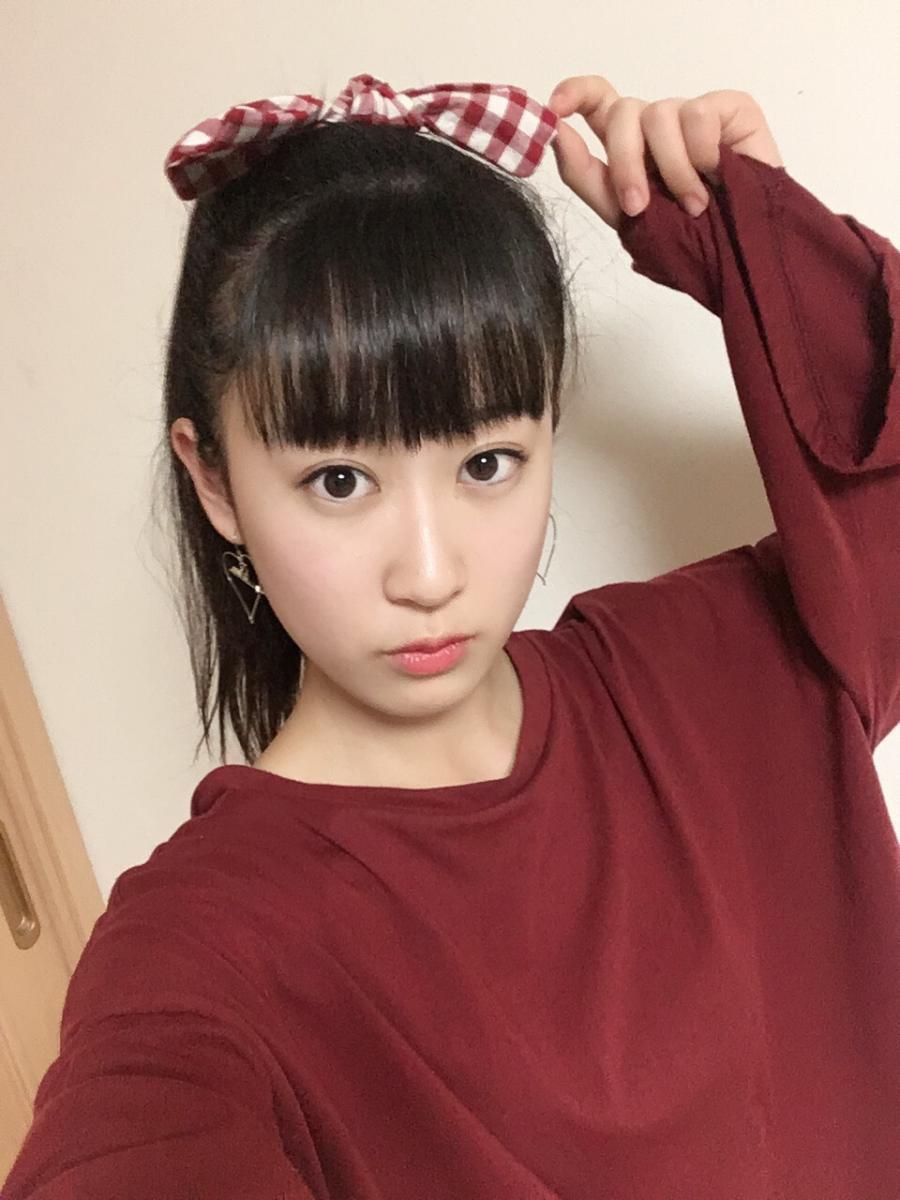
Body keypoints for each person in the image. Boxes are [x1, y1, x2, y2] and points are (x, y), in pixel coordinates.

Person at [3, 70, 899, 1200]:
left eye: (488, 463)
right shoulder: (201, 955)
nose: (429, 575)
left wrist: (766, 249)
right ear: (215, 480)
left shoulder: (713, 674)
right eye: (338, 480)